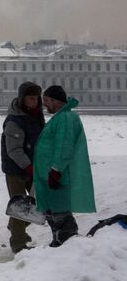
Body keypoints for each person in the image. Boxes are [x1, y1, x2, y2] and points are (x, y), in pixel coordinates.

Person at [34, 85, 96, 247]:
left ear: (55, 101)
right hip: (50, 174)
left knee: (60, 213)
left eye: (46, 101)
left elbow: (64, 146)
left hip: (57, 175)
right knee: (53, 212)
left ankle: (67, 244)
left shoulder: (65, 118)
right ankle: (59, 242)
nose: (44, 104)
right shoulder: (61, 117)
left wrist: (56, 170)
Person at [1, 81, 44, 254]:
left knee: (39, 202)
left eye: (36, 98)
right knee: (20, 206)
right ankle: (18, 244)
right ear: (22, 99)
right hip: (15, 170)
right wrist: (28, 166)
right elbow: (13, 149)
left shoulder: (36, 115)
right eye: (30, 98)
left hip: (33, 167)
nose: (34, 102)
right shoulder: (14, 120)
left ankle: (15, 226)